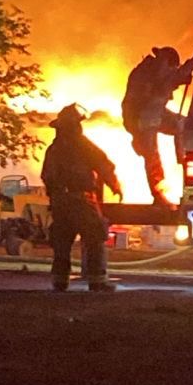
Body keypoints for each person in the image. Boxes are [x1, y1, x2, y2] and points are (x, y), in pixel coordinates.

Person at [41, 105, 121, 293]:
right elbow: (104, 164)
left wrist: (54, 198)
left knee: (62, 241)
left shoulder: (53, 149)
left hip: (60, 201)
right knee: (95, 236)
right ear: (75, 125)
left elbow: (46, 176)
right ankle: (97, 281)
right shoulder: (83, 145)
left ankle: (59, 281)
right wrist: (114, 185)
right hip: (82, 200)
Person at [121, 46, 193, 204]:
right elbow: (168, 82)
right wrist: (190, 66)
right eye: (173, 66)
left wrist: (184, 73)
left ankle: (182, 158)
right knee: (151, 155)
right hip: (140, 117)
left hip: (154, 111)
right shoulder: (149, 72)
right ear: (167, 62)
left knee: (182, 125)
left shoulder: (153, 69)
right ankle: (159, 194)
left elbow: (170, 80)